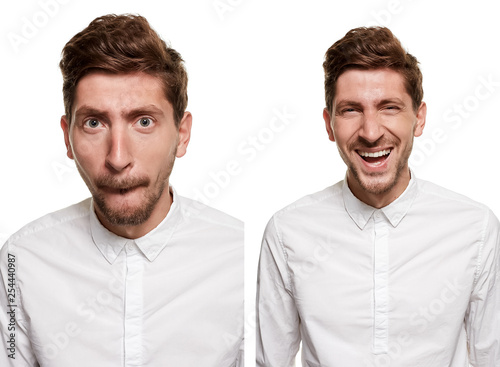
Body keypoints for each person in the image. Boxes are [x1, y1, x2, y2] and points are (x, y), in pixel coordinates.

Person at [0, 14, 243, 366]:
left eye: (144, 121)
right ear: (68, 137)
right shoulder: (20, 261)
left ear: (182, 134)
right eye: (94, 123)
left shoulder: (239, 257)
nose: (117, 158)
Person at [256, 26, 499, 367]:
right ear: (329, 124)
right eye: (351, 110)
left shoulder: (476, 229)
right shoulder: (287, 233)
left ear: (419, 117)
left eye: (389, 107)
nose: (371, 132)